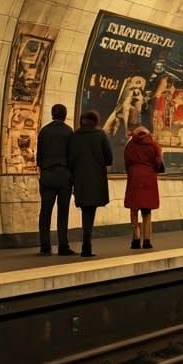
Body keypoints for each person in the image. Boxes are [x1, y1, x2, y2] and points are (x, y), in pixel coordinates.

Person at [68, 109, 113, 257]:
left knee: (85, 210)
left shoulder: (75, 136)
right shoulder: (100, 135)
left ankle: (86, 244)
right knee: (90, 211)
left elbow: (71, 159)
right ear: (96, 121)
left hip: (80, 179)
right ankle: (86, 245)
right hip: (96, 178)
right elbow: (109, 158)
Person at [36, 103, 75, 256]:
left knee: (45, 212)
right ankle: (63, 246)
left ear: (52, 114)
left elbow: (39, 156)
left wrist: (43, 170)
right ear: (65, 116)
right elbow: (72, 156)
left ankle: (45, 246)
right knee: (63, 212)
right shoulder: (69, 131)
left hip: (47, 175)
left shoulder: (44, 131)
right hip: (64, 175)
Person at [123, 126, 164, 249]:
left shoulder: (130, 145)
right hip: (148, 178)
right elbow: (158, 161)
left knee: (134, 209)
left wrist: (131, 171)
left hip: (134, 177)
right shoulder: (153, 144)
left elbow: (127, 161)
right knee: (147, 210)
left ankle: (136, 239)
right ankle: (147, 240)